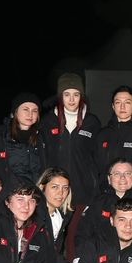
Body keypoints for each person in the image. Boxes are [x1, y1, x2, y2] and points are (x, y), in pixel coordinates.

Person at [39, 72, 102, 207]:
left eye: (76, 94)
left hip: (83, 193)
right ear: (60, 96)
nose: (72, 99)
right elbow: (42, 157)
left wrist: (95, 187)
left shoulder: (92, 122)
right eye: (67, 94)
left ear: (81, 97)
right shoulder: (47, 122)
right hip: (55, 194)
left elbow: (97, 158)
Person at [0, 93, 45, 202]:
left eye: (35, 110)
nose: (30, 114)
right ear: (15, 112)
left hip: (34, 200)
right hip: (8, 201)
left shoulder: (42, 140)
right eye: (25, 109)